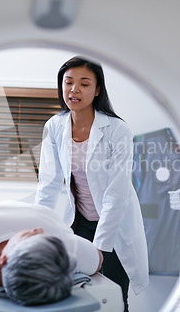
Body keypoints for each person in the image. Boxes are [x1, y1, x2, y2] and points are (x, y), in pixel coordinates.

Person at [35, 56, 149, 311]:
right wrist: (37, 229)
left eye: (84, 84)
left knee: (113, 299)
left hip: (114, 226)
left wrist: (100, 248)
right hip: (79, 223)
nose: (74, 90)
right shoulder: (54, 126)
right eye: (68, 82)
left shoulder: (118, 130)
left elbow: (116, 194)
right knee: (76, 297)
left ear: (97, 90)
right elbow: (48, 184)